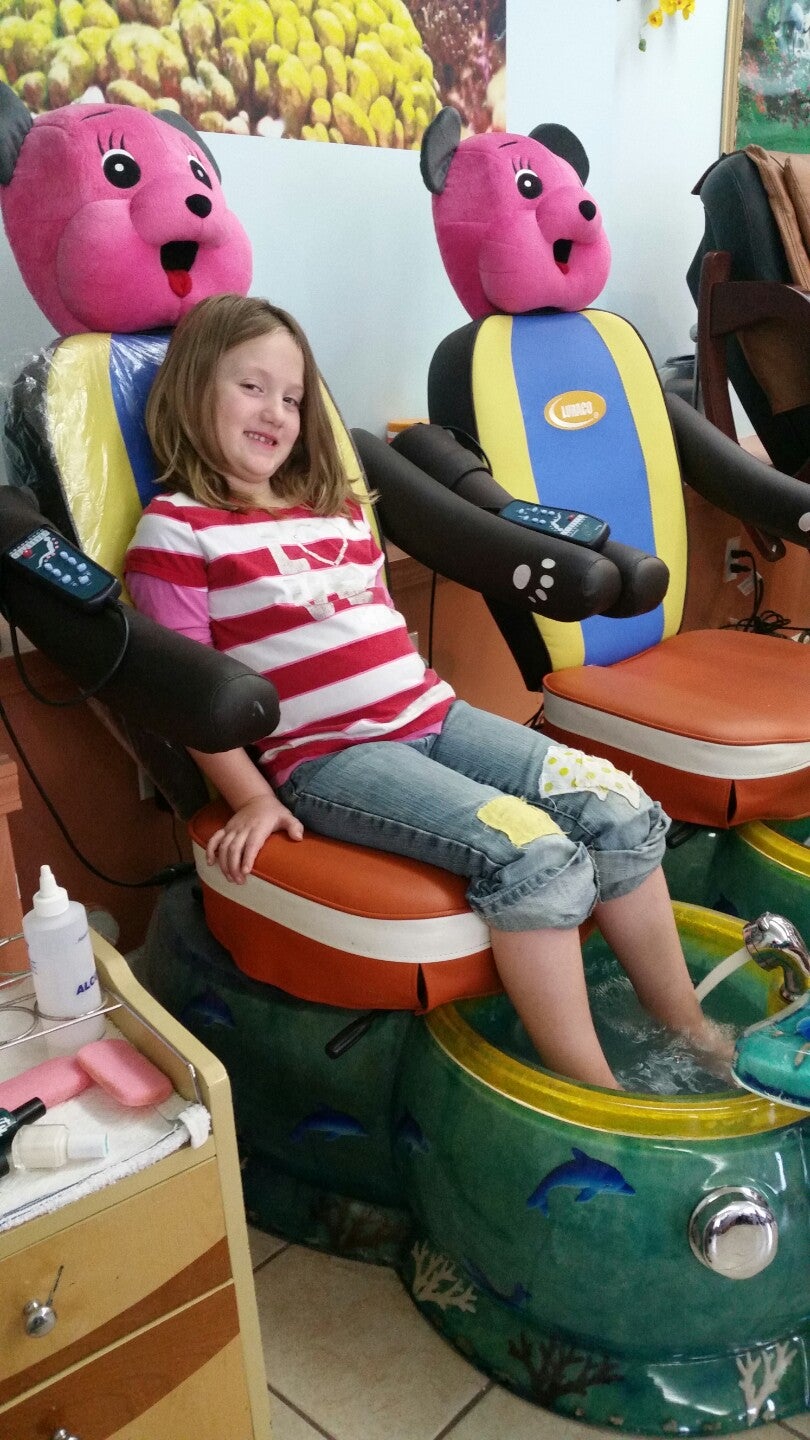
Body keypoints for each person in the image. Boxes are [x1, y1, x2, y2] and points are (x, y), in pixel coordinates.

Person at [125, 292, 730, 1090]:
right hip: (331, 756)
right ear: (192, 388)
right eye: (251, 387)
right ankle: (598, 1092)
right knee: (536, 855)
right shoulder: (177, 530)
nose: (277, 411)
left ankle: (690, 1033)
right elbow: (184, 693)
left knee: (614, 803)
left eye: (294, 397)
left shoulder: (336, 506)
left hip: (434, 716)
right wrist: (252, 798)